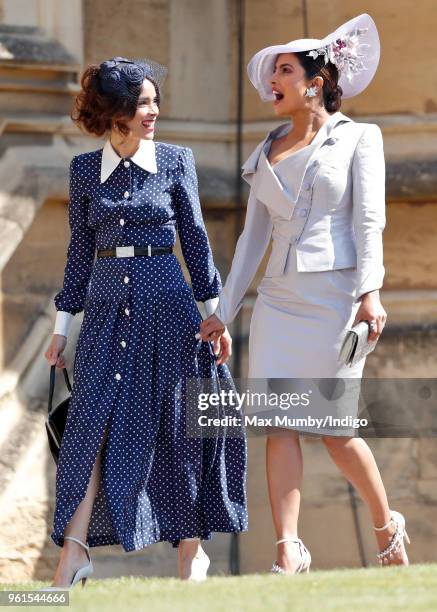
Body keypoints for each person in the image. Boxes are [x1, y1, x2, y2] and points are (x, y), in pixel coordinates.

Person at [200, 14, 410, 573]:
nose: (272, 81)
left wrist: (372, 293)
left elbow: (370, 221)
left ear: (314, 81)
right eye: (271, 73)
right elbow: (250, 241)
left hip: (339, 298)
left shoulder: (362, 137)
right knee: (280, 421)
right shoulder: (266, 149)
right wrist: (222, 311)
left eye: (284, 71)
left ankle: (387, 527)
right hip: (278, 301)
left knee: (336, 431)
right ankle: (288, 548)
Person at [43, 56, 247, 589]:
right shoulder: (85, 171)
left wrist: (215, 317)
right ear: (114, 110)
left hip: (170, 307)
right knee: (89, 430)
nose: (154, 110)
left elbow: (198, 246)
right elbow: (78, 254)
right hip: (107, 312)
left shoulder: (177, 161)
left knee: (182, 427)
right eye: (143, 102)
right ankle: (73, 555)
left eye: (156, 100)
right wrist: (62, 328)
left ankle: (190, 556)